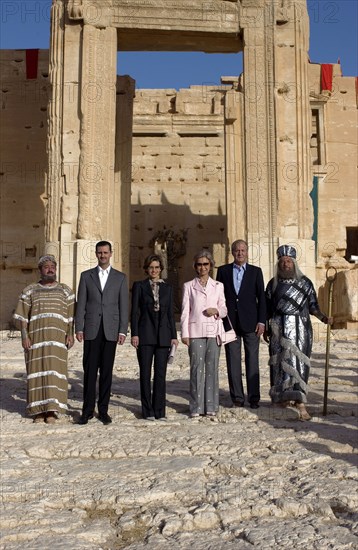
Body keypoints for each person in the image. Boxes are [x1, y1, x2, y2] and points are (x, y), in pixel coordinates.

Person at [265, 245, 333, 420]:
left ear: (294, 263)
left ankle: (299, 400)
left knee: (298, 363)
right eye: (283, 261)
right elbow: (266, 308)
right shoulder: (272, 284)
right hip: (278, 328)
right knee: (280, 364)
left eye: (289, 261)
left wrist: (324, 318)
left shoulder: (306, 283)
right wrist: (265, 326)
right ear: (279, 264)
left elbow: (313, 307)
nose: (286, 264)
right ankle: (281, 398)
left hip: (301, 328)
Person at [13, 255, 75, 424]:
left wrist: (70, 334)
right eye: (46, 266)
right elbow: (22, 317)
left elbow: (71, 317)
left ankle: (52, 411)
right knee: (37, 373)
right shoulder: (30, 290)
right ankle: (38, 411)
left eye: (52, 266)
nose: (50, 269)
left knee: (55, 374)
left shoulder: (66, 290)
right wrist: (24, 337)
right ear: (40, 270)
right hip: (36, 341)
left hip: (57, 342)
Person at [75, 241, 129, 425]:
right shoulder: (86, 276)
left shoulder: (120, 278)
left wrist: (123, 330)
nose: (103, 255)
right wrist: (79, 327)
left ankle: (103, 410)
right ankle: (87, 410)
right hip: (91, 329)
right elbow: (81, 303)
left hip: (110, 330)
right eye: (100, 252)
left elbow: (123, 306)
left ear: (111, 254)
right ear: (96, 254)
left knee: (106, 371)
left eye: (106, 252)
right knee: (89, 371)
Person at [216, 239, 266, 409]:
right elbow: (219, 297)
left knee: (253, 361)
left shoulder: (256, 272)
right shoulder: (223, 271)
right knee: (233, 360)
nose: (240, 253)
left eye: (243, 250)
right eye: (237, 250)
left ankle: (254, 398)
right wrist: (222, 322)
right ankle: (237, 397)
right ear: (232, 252)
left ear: (247, 252)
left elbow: (262, 298)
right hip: (230, 323)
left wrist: (262, 321)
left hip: (251, 323)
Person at [130, 254, 178, 420]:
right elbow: (135, 312)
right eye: (151, 267)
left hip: (163, 335)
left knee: (160, 374)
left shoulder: (168, 288)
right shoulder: (139, 286)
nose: (154, 270)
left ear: (161, 269)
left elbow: (171, 314)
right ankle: (147, 410)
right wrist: (134, 333)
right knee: (145, 373)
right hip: (145, 334)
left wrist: (173, 336)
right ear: (146, 269)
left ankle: (160, 411)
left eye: (157, 267)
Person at [181, 250, 227, 418]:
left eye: (206, 264)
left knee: (212, 369)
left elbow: (224, 308)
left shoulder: (218, 286)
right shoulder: (188, 286)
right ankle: (195, 406)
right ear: (195, 266)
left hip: (214, 332)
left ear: (211, 266)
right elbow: (186, 311)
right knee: (196, 369)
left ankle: (211, 405)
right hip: (195, 331)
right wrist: (184, 334)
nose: (202, 267)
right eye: (199, 264)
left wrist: (216, 310)